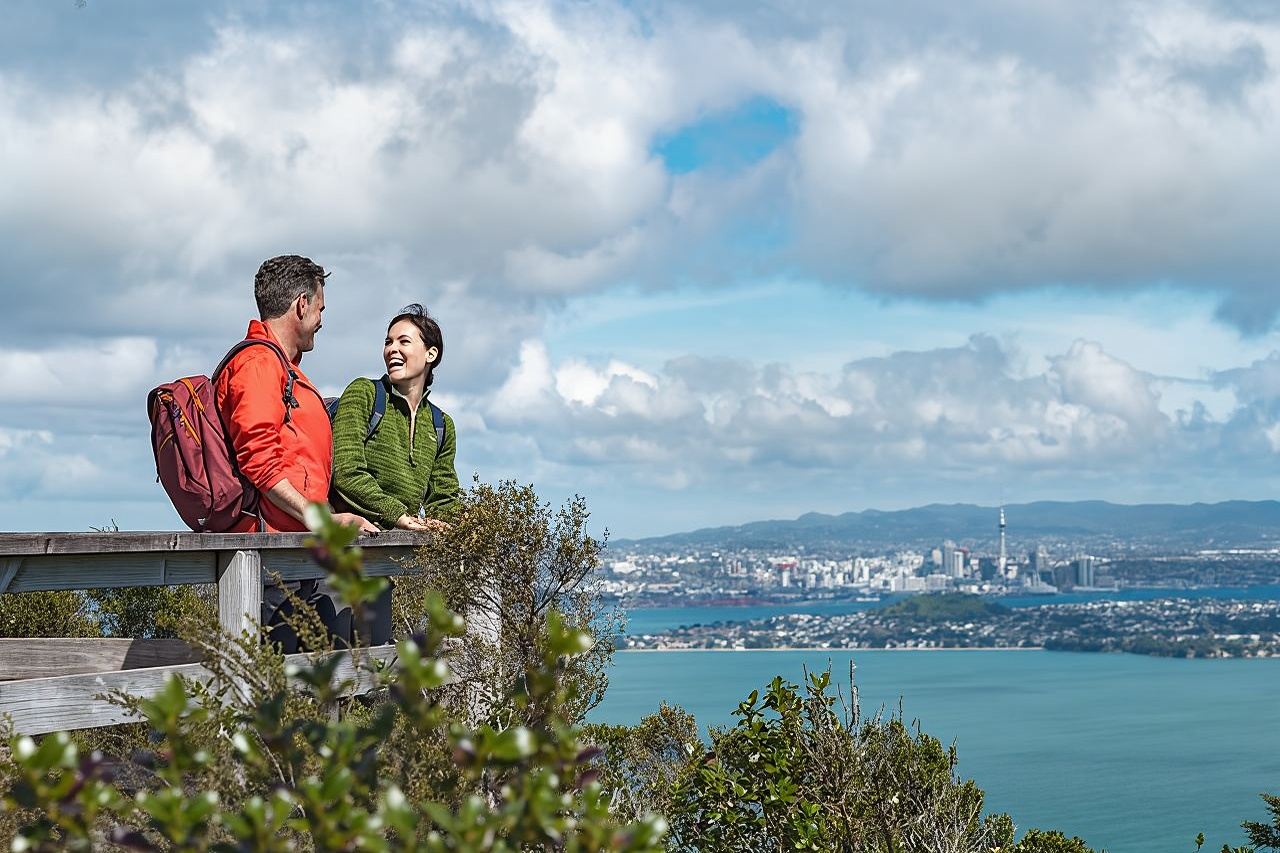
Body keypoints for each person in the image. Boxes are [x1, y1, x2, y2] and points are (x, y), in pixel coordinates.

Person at [215, 254, 377, 651]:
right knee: (275, 689)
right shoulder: (257, 364)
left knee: (316, 679)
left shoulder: (281, 366)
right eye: (320, 308)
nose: (322, 319)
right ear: (301, 305)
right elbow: (260, 463)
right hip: (271, 562)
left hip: (291, 556)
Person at [331, 304, 461, 642]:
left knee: (372, 671)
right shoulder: (364, 394)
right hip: (337, 556)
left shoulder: (441, 425)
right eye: (388, 342)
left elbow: (444, 495)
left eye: (404, 341)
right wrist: (400, 516)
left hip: (381, 560)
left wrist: (447, 526)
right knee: (330, 664)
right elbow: (346, 471)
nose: (392, 349)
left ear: (431, 353)